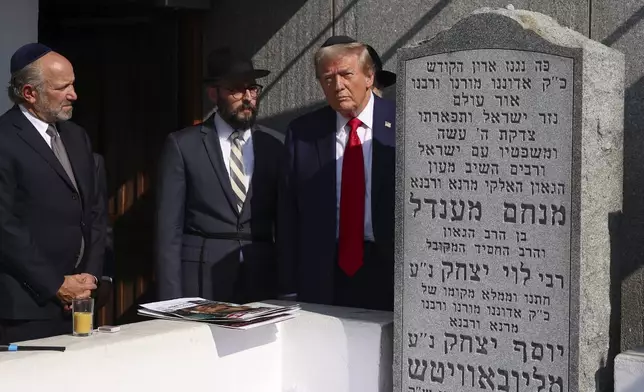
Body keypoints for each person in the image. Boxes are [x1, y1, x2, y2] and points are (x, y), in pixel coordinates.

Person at [155, 47, 284, 304]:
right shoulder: (183, 145)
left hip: (261, 278)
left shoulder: (276, 145)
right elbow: (168, 228)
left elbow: (286, 222)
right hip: (202, 277)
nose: (247, 98)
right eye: (236, 89)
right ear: (214, 93)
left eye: (252, 89)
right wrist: (170, 299)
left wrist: (289, 286)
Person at [278, 36, 396, 311]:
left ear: (369, 77)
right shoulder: (303, 132)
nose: (338, 86)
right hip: (323, 272)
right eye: (328, 79)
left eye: (346, 74)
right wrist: (287, 286)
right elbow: (287, 214)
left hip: (388, 270)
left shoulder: (403, 123)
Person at [0, 43, 104, 343]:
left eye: (73, 83)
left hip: (81, 301)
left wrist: (90, 277)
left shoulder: (76, 135)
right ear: (30, 93)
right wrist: (55, 283)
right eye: (63, 87)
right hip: (28, 307)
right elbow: (5, 227)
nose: (74, 94)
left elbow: (94, 211)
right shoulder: (5, 139)